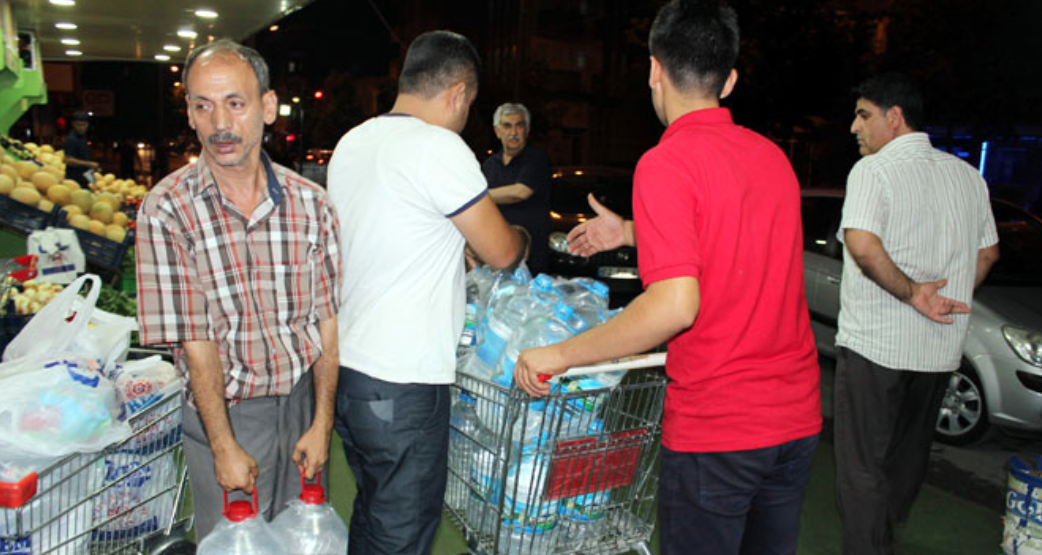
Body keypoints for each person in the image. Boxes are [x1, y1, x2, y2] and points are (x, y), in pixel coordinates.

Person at [513, 1, 822, 554]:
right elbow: (732, 242)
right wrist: (633, 232)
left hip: (719, 431)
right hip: (794, 422)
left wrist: (560, 354)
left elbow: (675, 306)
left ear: (655, 69)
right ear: (728, 80)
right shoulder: (773, 158)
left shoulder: (667, 162)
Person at [326, 30, 526, 555]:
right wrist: (522, 237)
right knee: (402, 531)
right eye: (471, 105)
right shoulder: (438, 146)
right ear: (458, 92)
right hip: (404, 381)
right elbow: (502, 251)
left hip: (348, 373)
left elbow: (390, 234)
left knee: (373, 516)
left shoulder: (354, 142)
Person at [135, 39, 342, 540]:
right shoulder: (167, 210)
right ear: (189, 113)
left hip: (300, 407)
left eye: (235, 103)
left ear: (267, 108)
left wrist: (322, 423)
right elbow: (196, 341)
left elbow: (327, 323)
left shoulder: (311, 205)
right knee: (233, 545)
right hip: (225, 410)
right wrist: (223, 444)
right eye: (203, 105)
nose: (220, 124)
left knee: (303, 540)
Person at [833, 72, 1000, 555]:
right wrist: (943, 300)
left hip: (876, 345)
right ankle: (884, 535)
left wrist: (913, 294)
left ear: (895, 118)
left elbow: (862, 244)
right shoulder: (969, 176)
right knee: (907, 456)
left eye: (863, 115)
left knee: (863, 464)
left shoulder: (874, 171)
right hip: (938, 348)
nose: (853, 127)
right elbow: (987, 254)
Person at [481, 102, 551, 273]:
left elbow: (520, 192)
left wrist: (479, 196)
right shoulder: (490, 164)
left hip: (531, 259)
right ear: (497, 131)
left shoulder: (536, 158)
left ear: (527, 130)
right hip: (495, 255)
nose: (513, 133)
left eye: (519, 125)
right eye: (507, 126)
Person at [63, 111, 100, 187]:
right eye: (78, 125)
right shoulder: (71, 139)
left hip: (83, 177)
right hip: (74, 180)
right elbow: (68, 160)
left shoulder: (83, 137)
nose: (81, 128)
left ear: (88, 125)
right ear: (73, 124)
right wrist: (89, 164)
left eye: (84, 125)